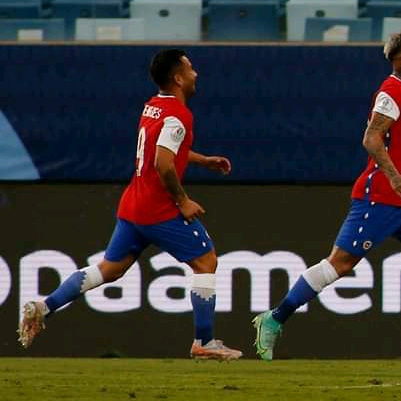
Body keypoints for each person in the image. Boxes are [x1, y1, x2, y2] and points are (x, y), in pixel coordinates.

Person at [18, 49, 243, 359]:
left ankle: (44, 307)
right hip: (158, 209)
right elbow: (163, 163)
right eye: (190, 69)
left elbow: (161, 149)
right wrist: (183, 201)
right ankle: (203, 342)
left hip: (134, 206)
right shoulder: (178, 115)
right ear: (178, 78)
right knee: (206, 261)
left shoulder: (154, 106)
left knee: (109, 269)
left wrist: (202, 160)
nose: (196, 74)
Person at [253, 28, 401, 366]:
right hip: (379, 196)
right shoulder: (391, 91)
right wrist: (394, 177)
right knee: (339, 264)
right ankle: (274, 319)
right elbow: (371, 138)